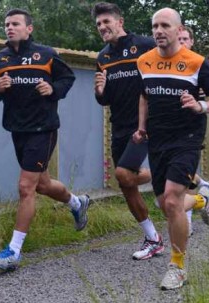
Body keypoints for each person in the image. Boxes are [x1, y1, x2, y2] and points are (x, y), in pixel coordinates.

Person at [0, 9, 90, 271]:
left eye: (15, 24)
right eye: (7, 24)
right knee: (41, 184)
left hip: (43, 127)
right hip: (17, 129)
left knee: (25, 187)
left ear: (29, 28)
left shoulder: (46, 54)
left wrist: (53, 89)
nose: (9, 28)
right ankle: (77, 203)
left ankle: (13, 252)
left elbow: (67, 77)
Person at [133, 8, 209, 290]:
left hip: (187, 137)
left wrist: (200, 106)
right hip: (158, 138)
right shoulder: (144, 61)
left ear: (178, 30)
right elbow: (144, 96)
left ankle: (178, 266)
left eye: (165, 25)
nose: (159, 30)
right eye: (155, 26)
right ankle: (200, 200)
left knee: (173, 201)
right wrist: (141, 127)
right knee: (165, 205)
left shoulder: (196, 62)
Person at [92, 2, 165, 261]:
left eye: (106, 22)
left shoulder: (144, 45)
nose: (102, 27)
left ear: (119, 21)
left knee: (124, 174)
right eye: (99, 24)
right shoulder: (103, 57)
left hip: (146, 123)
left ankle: (165, 175)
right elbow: (106, 99)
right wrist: (100, 91)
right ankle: (153, 238)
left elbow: (167, 65)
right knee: (125, 184)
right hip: (119, 124)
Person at [178, 25, 209, 237]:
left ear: (192, 42)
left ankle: (187, 223)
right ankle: (205, 186)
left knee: (182, 174)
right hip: (169, 124)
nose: (182, 42)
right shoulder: (167, 63)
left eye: (185, 39)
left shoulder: (200, 65)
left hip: (193, 123)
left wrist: (199, 101)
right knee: (176, 170)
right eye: (179, 39)